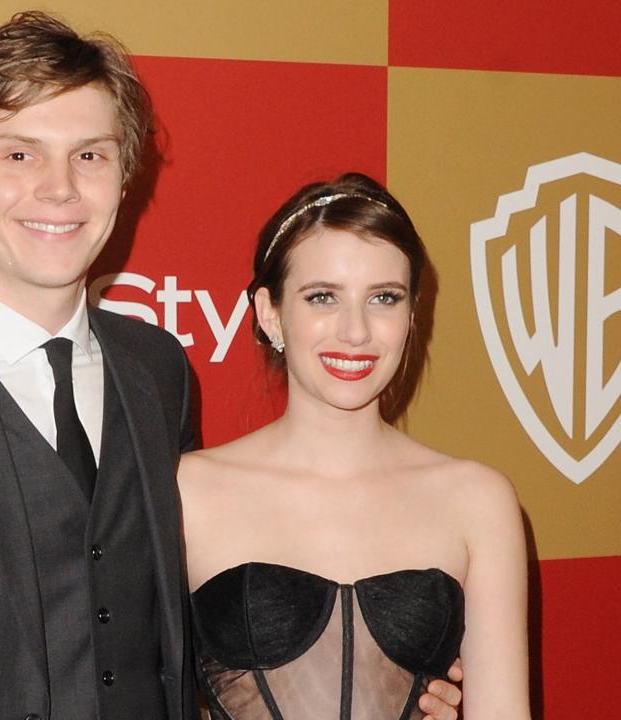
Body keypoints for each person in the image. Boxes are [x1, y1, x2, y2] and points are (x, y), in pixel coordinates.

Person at [0, 11, 464, 720]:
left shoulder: (158, 373)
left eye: (91, 154)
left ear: (123, 178)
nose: (60, 188)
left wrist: (382, 675)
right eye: (19, 153)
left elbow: (210, 631)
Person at [179, 173, 530, 719]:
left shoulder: (478, 500)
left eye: (383, 299)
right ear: (270, 313)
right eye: (323, 297)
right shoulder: (184, 490)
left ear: (412, 316)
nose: (357, 332)